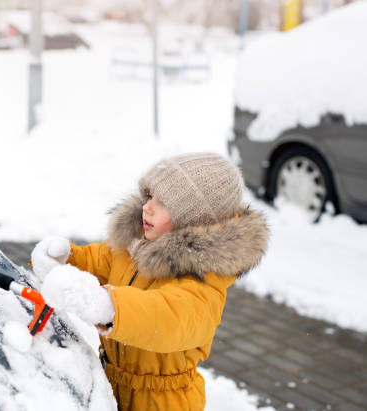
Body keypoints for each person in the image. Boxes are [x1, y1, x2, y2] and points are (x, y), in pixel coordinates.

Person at [31, 152, 269, 411]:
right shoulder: (137, 247)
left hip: (162, 402)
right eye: (150, 196)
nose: (148, 207)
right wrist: (67, 259)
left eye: (163, 202)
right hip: (111, 386)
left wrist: (108, 306)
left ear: (192, 220)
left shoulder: (204, 284)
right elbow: (101, 261)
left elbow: (168, 316)